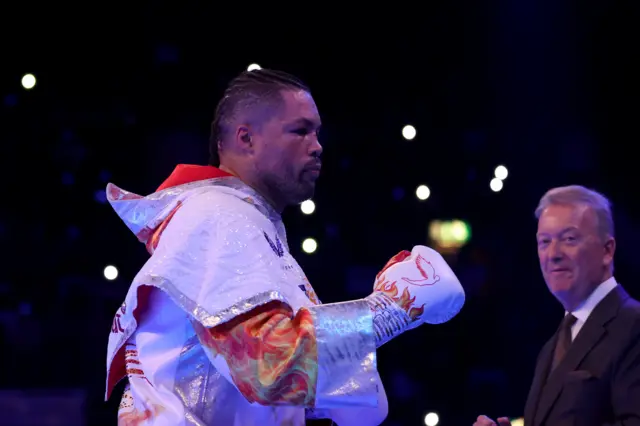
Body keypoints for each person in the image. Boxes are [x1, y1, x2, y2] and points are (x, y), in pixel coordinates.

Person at [105, 68, 466, 426]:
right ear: (246, 139)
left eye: (318, 132)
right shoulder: (219, 215)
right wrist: (390, 309)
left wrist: (347, 371)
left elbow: (295, 389)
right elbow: (268, 365)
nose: (317, 146)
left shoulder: (251, 226)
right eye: (300, 131)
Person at [474, 185, 640, 426]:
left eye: (569, 239)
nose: (553, 254)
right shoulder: (551, 347)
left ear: (607, 250)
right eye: (544, 242)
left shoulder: (634, 327)